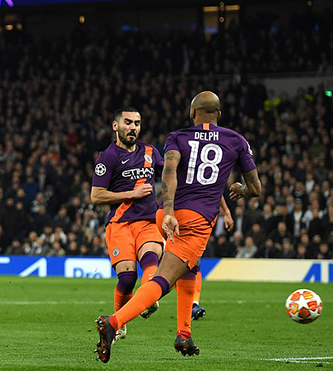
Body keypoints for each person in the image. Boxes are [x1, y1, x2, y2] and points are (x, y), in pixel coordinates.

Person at [95, 91, 261, 361]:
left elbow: (169, 171)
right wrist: (240, 189)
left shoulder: (177, 137)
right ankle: (113, 322)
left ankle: (184, 333)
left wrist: (169, 211)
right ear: (218, 114)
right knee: (164, 279)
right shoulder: (237, 141)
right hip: (195, 223)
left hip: (165, 214)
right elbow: (255, 188)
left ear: (192, 113)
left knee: (191, 267)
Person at [90, 107, 165, 340]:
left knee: (151, 258)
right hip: (120, 224)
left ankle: (148, 298)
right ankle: (121, 322)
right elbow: (96, 196)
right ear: (116, 126)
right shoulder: (108, 157)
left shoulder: (151, 152)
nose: (133, 127)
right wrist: (131, 194)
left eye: (137, 123)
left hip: (148, 221)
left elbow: (171, 176)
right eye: (128, 122)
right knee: (127, 278)